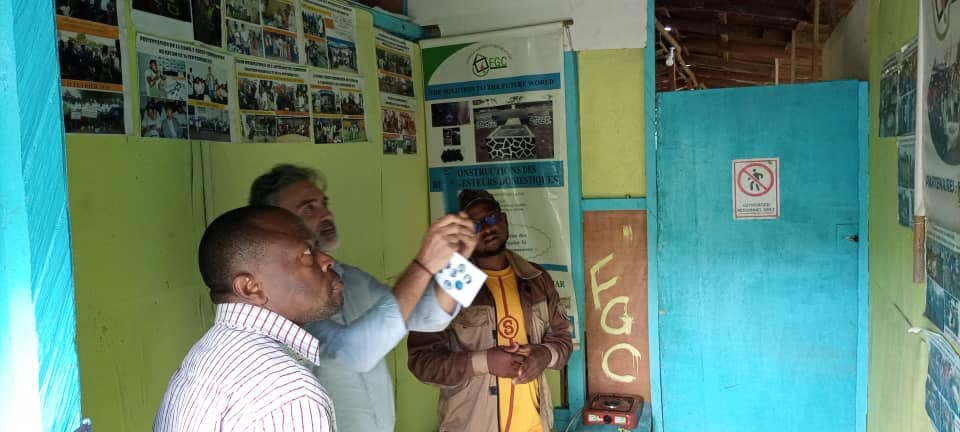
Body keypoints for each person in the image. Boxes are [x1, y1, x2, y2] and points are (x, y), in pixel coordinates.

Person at [249, 164, 476, 431]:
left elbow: (429, 318)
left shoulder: (351, 279)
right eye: (308, 208)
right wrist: (424, 264)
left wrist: (461, 262)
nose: (326, 214)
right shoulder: (277, 300)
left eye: (324, 204)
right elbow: (354, 352)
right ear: (274, 226)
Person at [154, 205, 343, 431]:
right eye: (307, 253)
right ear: (250, 287)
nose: (327, 260)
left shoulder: (207, 356)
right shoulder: (290, 395)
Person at [407, 189, 573, 432]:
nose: (486, 229)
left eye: (491, 218)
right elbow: (422, 362)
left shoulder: (536, 278)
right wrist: (482, 362)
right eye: (474, 225)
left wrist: (544, 355)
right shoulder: (449, 287)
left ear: (504, 220)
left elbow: (563, 339)